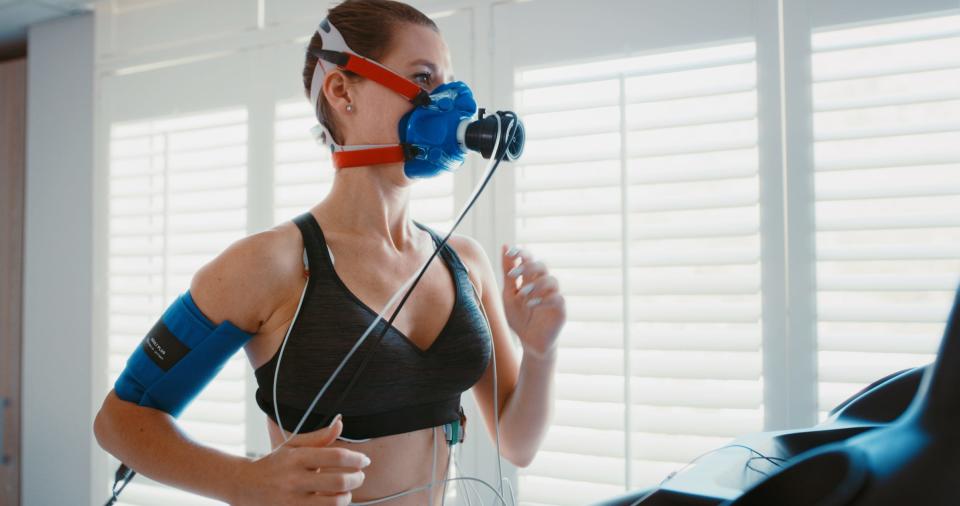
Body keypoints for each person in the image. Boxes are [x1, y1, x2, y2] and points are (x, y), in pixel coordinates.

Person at [93, 1, 565, 504]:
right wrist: (246, 482)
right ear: (342, 90)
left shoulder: (466, 264)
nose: (451, 102)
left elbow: (518, 444)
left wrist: (541, 351)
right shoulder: (270, 264)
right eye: (423, 78)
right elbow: (118, 422)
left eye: (448, 80)